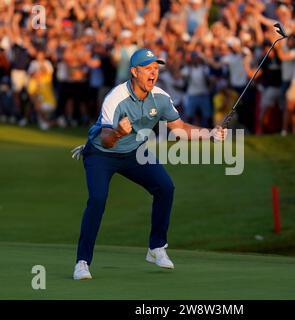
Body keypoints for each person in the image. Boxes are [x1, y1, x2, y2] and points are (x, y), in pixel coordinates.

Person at [70, 48, 227, 280]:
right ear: (134, 72)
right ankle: (82, 263)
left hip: (134, 152)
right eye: (147, 69)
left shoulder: (161, 97)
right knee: (97, 200)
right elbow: (106, 139)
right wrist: (117, 133)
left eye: (156, 68)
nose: (153, 73)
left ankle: (156, 248)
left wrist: (210, 133)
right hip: (101, 154)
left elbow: (179, 128)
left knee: (165, 187)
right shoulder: (116, 98)